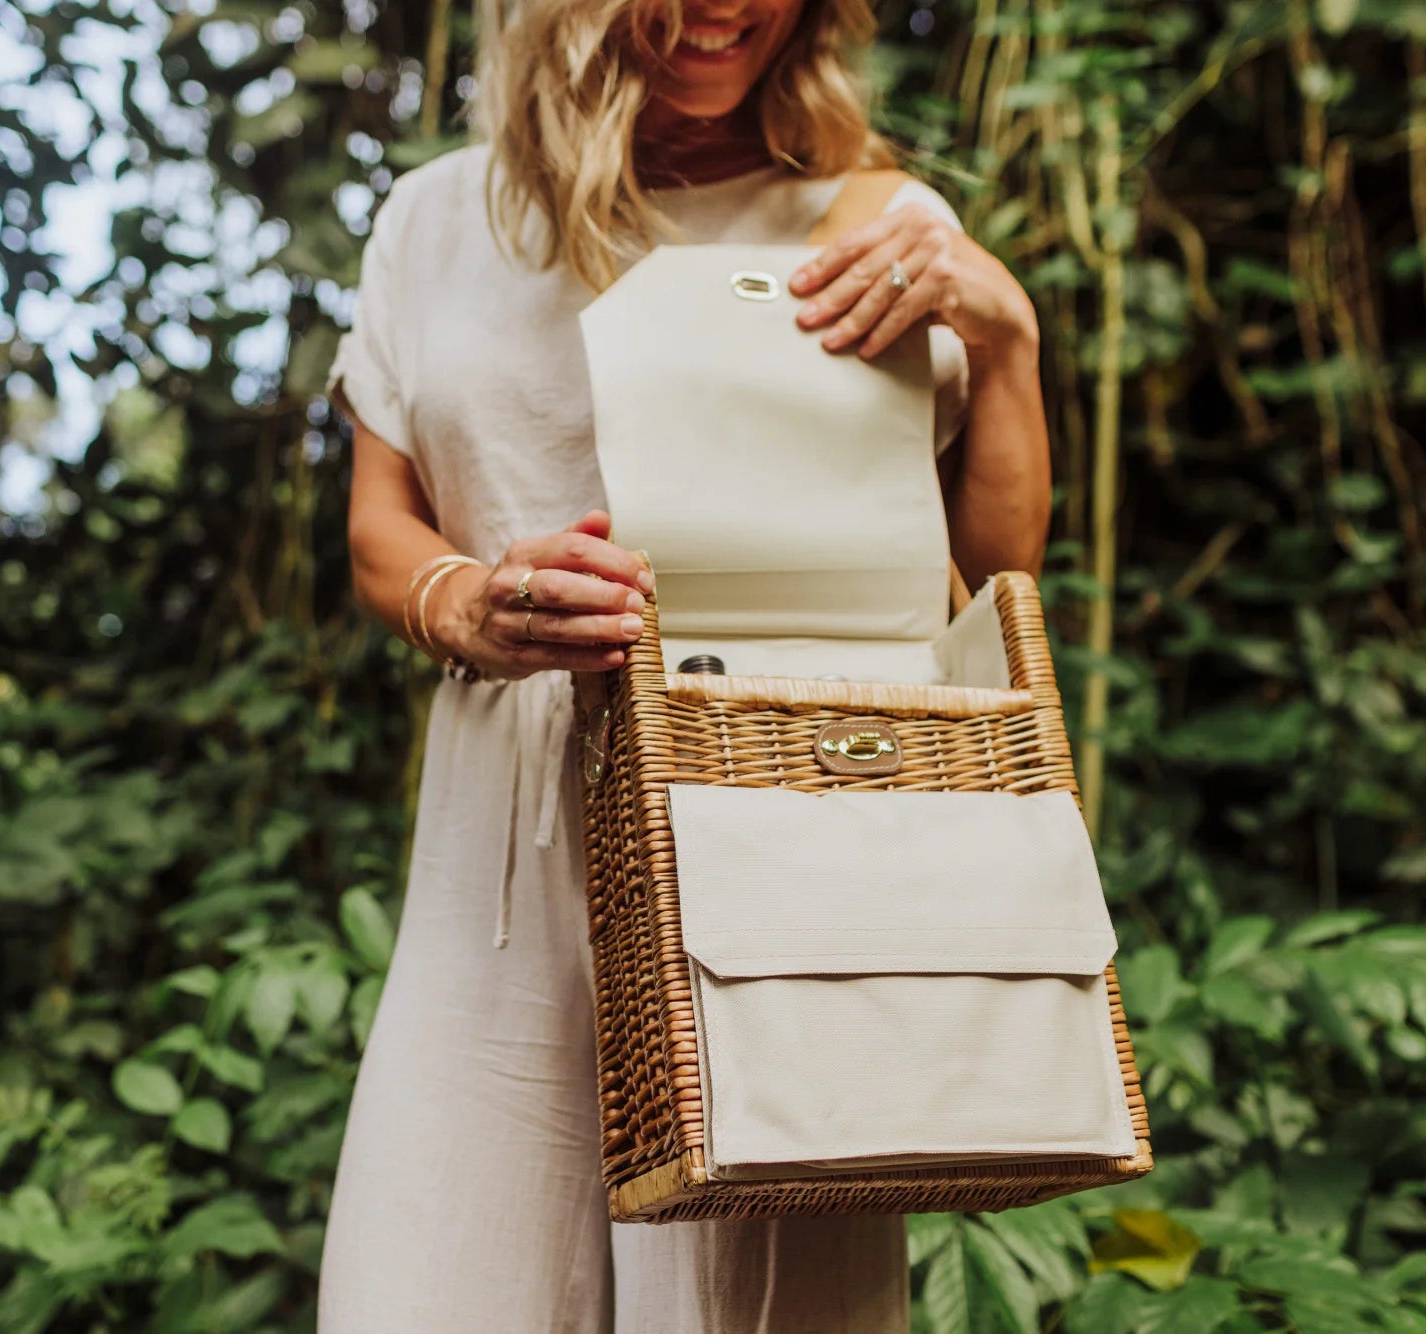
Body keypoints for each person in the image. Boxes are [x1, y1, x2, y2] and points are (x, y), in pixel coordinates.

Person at [318, 0, 1051, 1323]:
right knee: (429, 1278)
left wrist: (1005, 339)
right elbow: (382, 526)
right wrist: (467, 602)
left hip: (777, 822)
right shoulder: (437, 220)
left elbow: (987, 585)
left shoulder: (879, 218)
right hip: (497, 855)